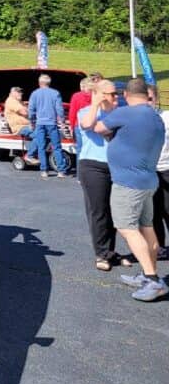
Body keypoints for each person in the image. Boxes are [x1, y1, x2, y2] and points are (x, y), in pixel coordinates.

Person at [86, 77, 167, 302]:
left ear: (126, 95)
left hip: (128, 182)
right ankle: (148, 273)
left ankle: (152, 279)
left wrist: (100, 105)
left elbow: (97, 127)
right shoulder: (155, 116)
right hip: (148, 180)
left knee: (126, 227)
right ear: (147, 95)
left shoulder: (127, 113)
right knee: (146, 227)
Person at [76, 79, 128, 271]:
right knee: (98, 211)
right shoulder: (86, 112)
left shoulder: (119, 113)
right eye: (112, 94)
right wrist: (95, 104)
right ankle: (101, 253)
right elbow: (87, 124)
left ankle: (110, 252)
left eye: (117, 93)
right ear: (99, 94)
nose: (116, 97)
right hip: (93, 166)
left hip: (116, 166)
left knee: (114, 211)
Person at [28, 74, 69, 178]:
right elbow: (59, 109)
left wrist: (31, 122)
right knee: (57, 147)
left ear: (39, 83)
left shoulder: (35, 93)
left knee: (41, 147)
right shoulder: (55, 93)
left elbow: (31, 109)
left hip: (40, 123)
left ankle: (44, 170)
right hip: (52, 123)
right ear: (49, 83)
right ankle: (61, 171)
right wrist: (62, 121)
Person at [150, 93, 169, 261]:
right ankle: (160, 247)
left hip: (166, 168)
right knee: (153, 213)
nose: (148, 102)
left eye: (151, 98)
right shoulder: (139, 120)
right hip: (148, 171)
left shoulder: (166, 117)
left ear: (156, 99)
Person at [69, 73, 102, 158]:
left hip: (78, 125)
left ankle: (80, 165)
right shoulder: (96, 96)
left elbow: (72, 113)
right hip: (93, 123)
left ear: (82, 86)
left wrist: (71, 127)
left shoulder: (76, 96)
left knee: (80, 148)